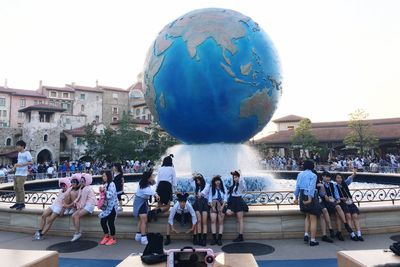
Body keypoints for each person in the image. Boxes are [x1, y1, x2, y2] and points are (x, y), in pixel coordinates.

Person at [319, 171, 357, 241]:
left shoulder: (332, 184)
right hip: (324, 203)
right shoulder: (320, 185)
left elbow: (336, 194)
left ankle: (345, 225)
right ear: (322, 177)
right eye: (326, 177)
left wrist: (338, 199)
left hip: (332, 202)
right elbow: (321, 194)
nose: (328, 178)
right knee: (324, 213)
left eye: (329, 177)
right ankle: (331, 230)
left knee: (338, 208)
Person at [294, 160, 321, 246]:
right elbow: (311, 187)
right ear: (312, 166)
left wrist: (296, 198)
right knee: (313, 218)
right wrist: (310, 199)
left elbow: (297, 186)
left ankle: (306, 234)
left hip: (302, 194)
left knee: (307, 215)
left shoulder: (300, 174)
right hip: (310, 195)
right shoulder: (313, 175)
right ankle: (312, 240)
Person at [133, 170, 160, 245]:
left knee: (141, 220)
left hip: (141, 202)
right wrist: (157, 196)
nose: (152, 177)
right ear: (148, 178)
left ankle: (138, 235)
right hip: (141, 204)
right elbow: (152, 192)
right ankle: (143, 237)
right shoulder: (144, 188)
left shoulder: (143, 182)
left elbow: (153, 184)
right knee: (144, 220)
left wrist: (152, 181)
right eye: (151, 176)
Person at [335, 171, 364, 241]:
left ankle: (359, 234)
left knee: (355, 216)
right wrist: (342, 199)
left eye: (340, 178)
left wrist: (354, 172)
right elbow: (335, 196)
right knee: (348, 216)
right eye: (338, 178)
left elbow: (350, 177)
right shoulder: (334, 186)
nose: (339, 179)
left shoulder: (344, 183)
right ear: (335, 179)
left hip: (349, 202)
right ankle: (352, 234)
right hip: (342, 203)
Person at [71, 173, 96, 242]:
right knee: (73, 216)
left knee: (76, 216)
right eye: (81, 181)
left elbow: (83, 201)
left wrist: (78, 208)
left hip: (89, 205)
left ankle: (77, 233)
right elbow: (79, 198)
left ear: (86, 181)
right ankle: (77, 230)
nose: (81, 182)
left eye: (83, 181)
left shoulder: (86, 189)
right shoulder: (82, 188)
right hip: (86, 205)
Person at [225, 170, 249, 242]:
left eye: (236, 177)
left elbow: (243, 186)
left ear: (239, 177)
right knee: (228, 212)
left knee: (240, 220)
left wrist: (240, 175)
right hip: (232, 201)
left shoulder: (241, 184)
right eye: (234, 177)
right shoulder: (233, 185)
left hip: (238, 201)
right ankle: (235, 211)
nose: (235, 178)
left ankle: (240, 236)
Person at [151, 155, 176, 220]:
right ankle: (157, 211)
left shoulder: (160, 168)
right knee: (167, 206)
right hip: (167, 186)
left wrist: (156, 188)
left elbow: (158, 179)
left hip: (160, 186)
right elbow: (174, 180)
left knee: (159, 204)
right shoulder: (172, 169)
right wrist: (175, 190)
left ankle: (153, 213)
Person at [10, 140, 33, 211]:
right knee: (15, 188)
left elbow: (31, 162)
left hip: (22, 174)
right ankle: (17, 202)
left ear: (22, 146)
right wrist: (15, 167)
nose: (17, 147)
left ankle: (22, 203)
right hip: (17, 173)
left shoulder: (27, 153)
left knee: (20, 188)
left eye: (18, 146)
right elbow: (18, 162)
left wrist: (21, 165)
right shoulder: (19, 153)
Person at [98, 170, 118, 246]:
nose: (103, 177)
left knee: (110, 222)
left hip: (112, 207)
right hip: (107, 207)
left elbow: (111, 195)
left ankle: (112, 238)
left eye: (104, 176)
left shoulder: (112, 184)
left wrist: (105, 191)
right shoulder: (106, 184)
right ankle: (107, 236)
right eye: (102, 176)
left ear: (108, 176)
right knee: (104, 221)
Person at [208, 175, 228, 246]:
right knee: (213, 221)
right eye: (216, 181)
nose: (217, 182)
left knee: (221, 222)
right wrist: (212, 206)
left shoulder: (223, 187)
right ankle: (214, 238)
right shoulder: (211, 188)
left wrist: (222, 206)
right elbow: (210, 197)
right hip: (213, 204)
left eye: (218, 180)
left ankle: (219, 239)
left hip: (221, 204)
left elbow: (225, 197)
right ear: (214, 182)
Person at [192, 173, 210, 246]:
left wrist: (200, 194)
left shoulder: (207, 185)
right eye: (196, 181)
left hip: (204, 203)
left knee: (204, 222)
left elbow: (204, 192)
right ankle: (199, 239)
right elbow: (190, 181)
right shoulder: (196, 187)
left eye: (199, 180)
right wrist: (194, 176)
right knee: (199, 221)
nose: (198, 182)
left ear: (202, 180)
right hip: (197, 204)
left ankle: (204, 239)